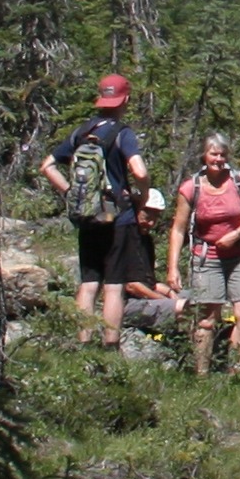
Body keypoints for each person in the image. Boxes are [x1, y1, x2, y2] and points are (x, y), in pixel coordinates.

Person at [33, 72, 161, 346]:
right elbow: (139, 170)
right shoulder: (122, 133)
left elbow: (47, 166)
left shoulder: (82, 132)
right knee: (114, 285)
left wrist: (73, 194)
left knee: (89, 283)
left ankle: (83, 341)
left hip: (88, 216)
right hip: (118, 217)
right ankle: (110, 344)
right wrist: (143, 195)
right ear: (125, 99)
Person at [169, 132, 240, 376]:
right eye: (214, 154)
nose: (219, 159)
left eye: (223, 154)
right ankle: (202, 375)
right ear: (204, 155)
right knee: (205, 320)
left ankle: (234, 372)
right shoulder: (191, 188)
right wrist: (172, 267)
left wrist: (235, 235)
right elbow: (179, 229)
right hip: (207, 257)